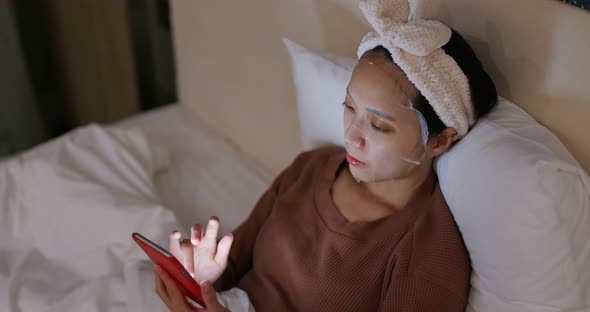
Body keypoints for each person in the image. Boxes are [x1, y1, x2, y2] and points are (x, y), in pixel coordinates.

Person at [154, 0, 497, 310]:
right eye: (349, 107)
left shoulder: (426, 253)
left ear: (440, 141)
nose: (351, 135)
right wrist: (201, 280)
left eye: (377, 125)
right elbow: (235, 266)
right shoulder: (311, 167)